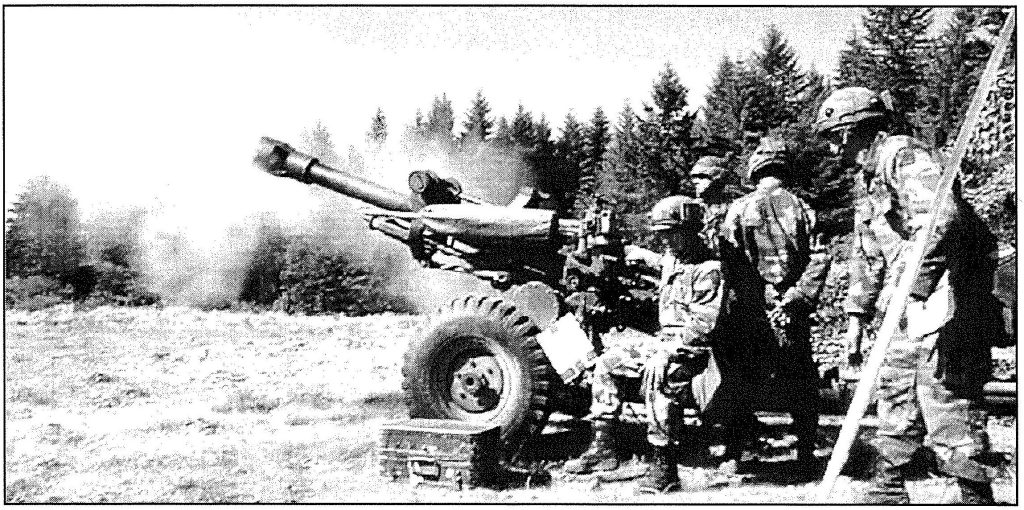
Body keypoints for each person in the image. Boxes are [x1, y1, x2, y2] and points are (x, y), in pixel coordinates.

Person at [815, 87, 1000, 504]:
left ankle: (975, 496)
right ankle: (888, 491)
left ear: (851, 132)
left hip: (944, 302)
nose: (829, 147)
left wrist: (915, 286)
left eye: (832, 135)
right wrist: (856, 318)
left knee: (946, 401)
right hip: (901, 310)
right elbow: (867, 253)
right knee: (894, 394)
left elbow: (941, 216)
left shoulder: (903, 154)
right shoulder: (866, 180)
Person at [564, 196, 728, 494]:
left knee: (658, 378)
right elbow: (643, 257)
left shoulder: (709, 270)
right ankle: (604, 448)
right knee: (607, 363)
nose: (664, 239)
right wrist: (613, 245)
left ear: (690, 230)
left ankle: (664, 466)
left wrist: (666, 354)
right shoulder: (673, 260)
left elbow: (703, 326)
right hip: (665, 343)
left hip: (693, 350)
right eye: (661, 234)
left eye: (670, 232)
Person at [719, 137, 830, 474]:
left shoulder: (738, 209)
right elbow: (821, 257)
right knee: (801, 381)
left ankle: (740, 454)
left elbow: (730, 263)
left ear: (756, 169)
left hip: (751, 312)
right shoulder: (804, 208)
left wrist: (759, 295)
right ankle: (806, 455)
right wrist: (795, 296)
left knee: (741, 380)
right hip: (792, 313)